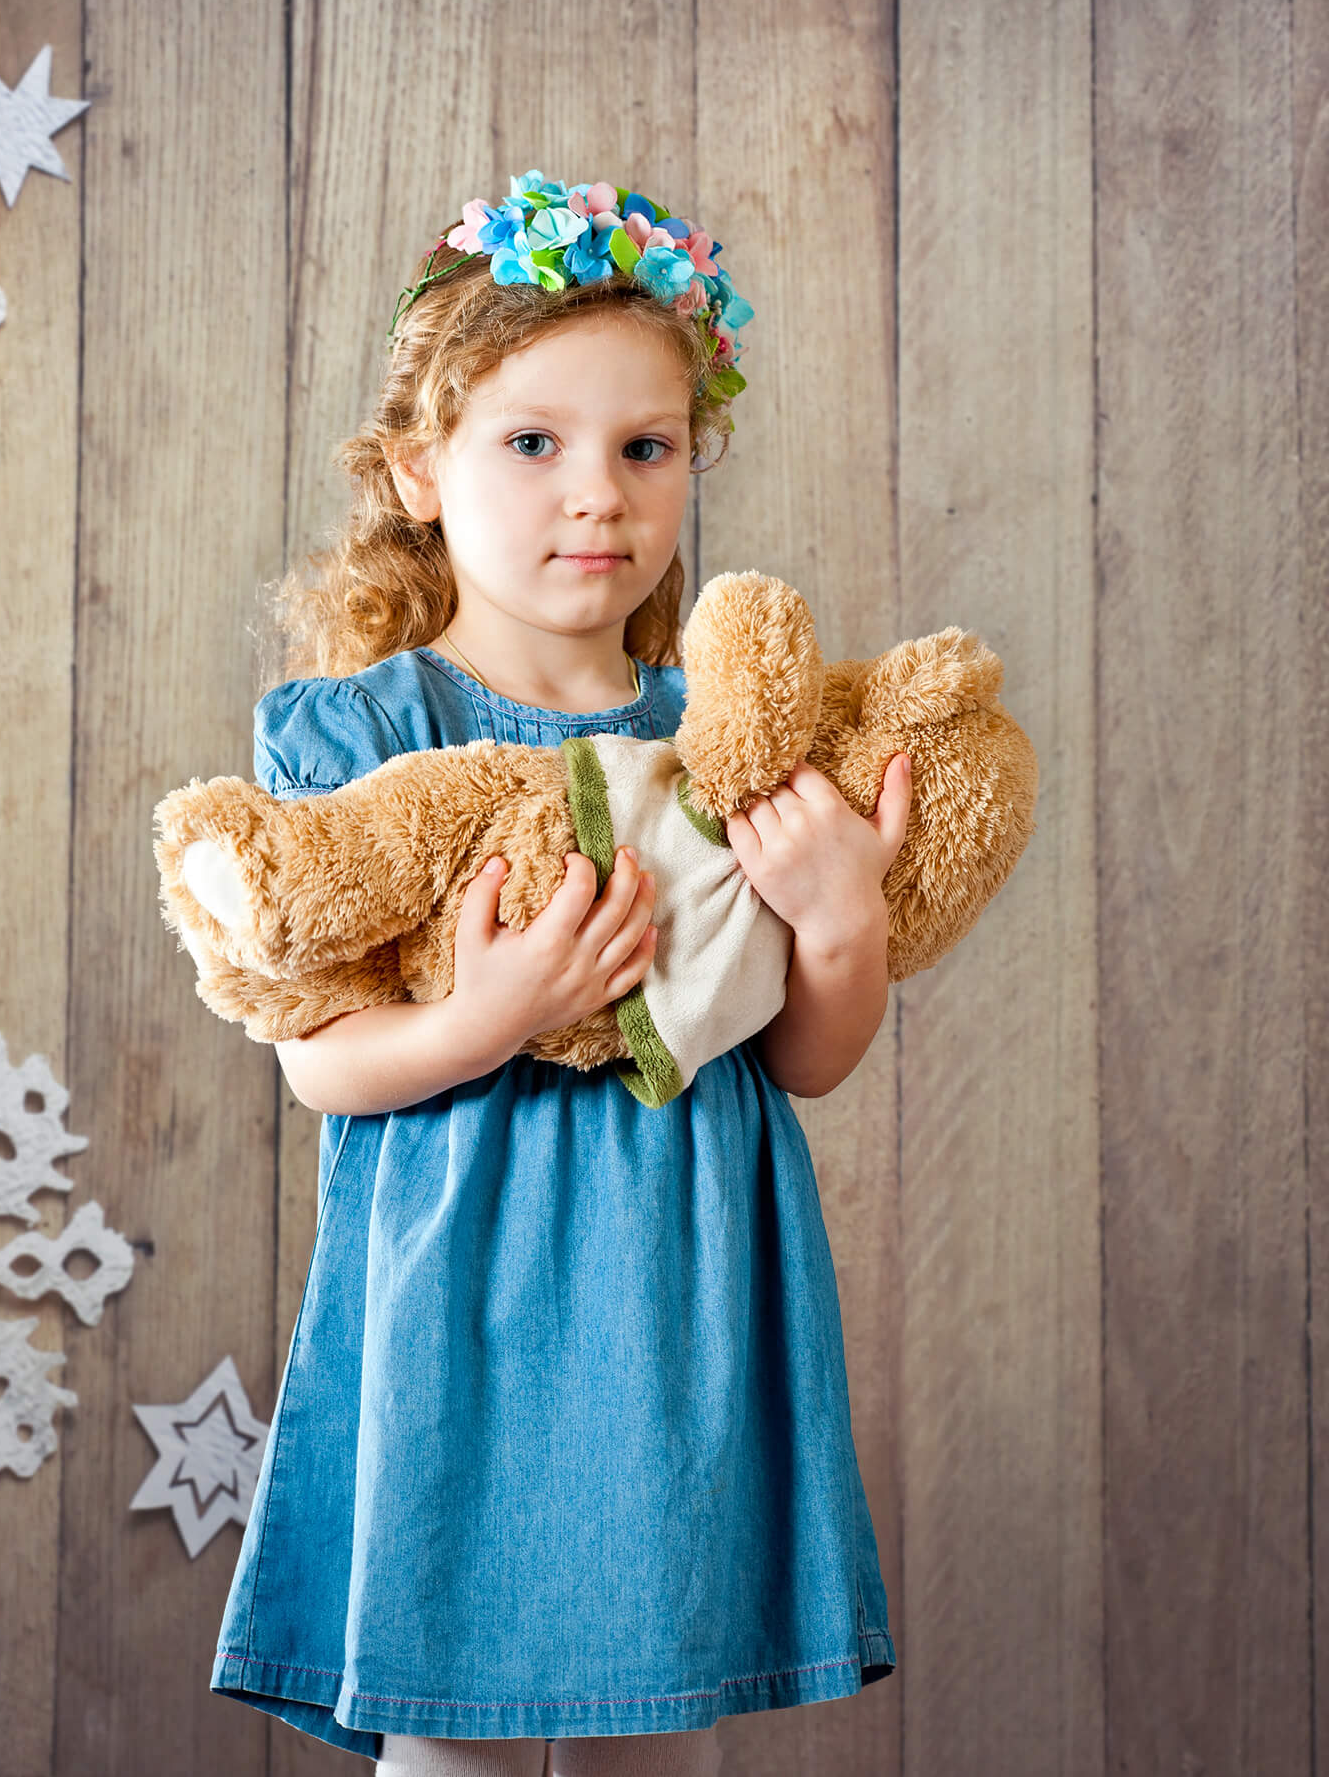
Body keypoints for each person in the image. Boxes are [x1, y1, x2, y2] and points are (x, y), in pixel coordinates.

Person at [207, 173, 909, 1777]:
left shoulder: (721, 735)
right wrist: (488, 1017)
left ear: (684, 467)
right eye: (533, 442)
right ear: (417, 469)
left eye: (643, 448)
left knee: (655, 1735)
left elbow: (798, 1056)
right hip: (464, 1287)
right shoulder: (371, 736)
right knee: (455, 1737)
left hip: (678, 1287)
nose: (595, 494)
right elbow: (317, 1058)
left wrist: (840, 919)